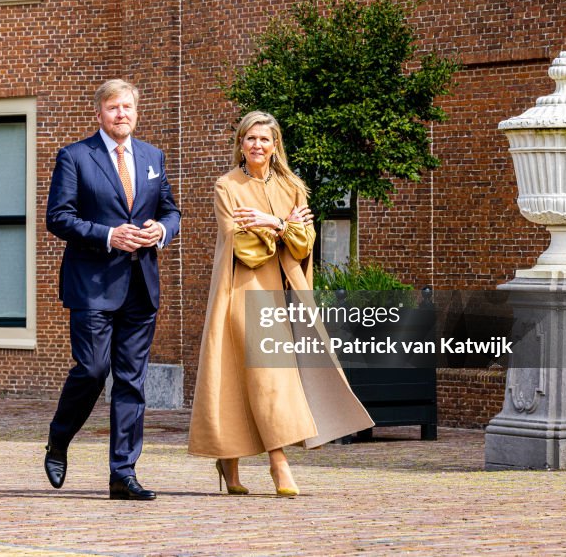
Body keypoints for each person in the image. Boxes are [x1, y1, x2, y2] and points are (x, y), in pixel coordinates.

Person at [187, 111, 373, 496]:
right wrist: (283, 226)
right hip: (243, 290)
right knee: (257, 376)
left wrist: (268, 222)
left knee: (261, 376)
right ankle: (278, 463)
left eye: (264, 140)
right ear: (240, 143)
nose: (257, 145)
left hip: (285, 295)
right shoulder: (227, 187)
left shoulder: (293, 186)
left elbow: (305, 244)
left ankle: (231, 462)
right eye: (250, 138)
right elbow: (245, 247)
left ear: (276, 146)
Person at [44, 79, 181, 501]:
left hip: (141, 285)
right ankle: (59, 439)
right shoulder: (74, 156)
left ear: (135, 113)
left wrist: (163, 230)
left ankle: (122, 474)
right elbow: (58, 217)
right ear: (99, 114)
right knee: (92, 369)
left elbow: (171, 210)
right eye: (113, 108)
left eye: (127, 107)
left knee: (131, 381)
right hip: (92, 286)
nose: (121, 114)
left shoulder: (153, 156)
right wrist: (108, 235)